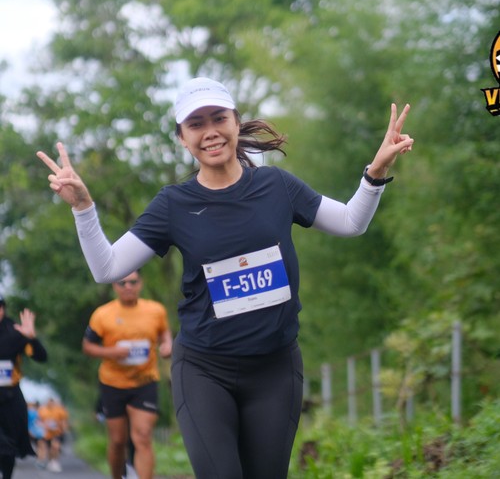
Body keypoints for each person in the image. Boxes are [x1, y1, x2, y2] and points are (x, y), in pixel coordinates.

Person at [37, 76, 414, 479]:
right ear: (182, 138)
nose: (210, 131)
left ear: (236, 122)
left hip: (275, 369)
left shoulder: (277, 185)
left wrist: (375, 172)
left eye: (219, 118)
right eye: (196, 124)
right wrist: (83, 208)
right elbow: (108, 268)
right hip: (204, 370)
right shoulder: (173, 204)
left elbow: (351, 222)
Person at [81, 270, 172, 479]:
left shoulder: (155, 310)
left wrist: (167, 345)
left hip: (145, 381)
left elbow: (164, 332)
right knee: (118, 441)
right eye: (122, 283)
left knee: (143, 436)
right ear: (115, 286)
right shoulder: (102, 314)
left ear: (141, 283)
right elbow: (87, 346)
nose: (128, 287)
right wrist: (110, 352)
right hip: (112, 383)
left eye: (133, 282)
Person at [0, 298, 48, 479]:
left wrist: (32, 338)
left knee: (9, 446)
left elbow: (41, 357)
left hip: (10, 395)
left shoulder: (15, 332)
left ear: (3, 309)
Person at [37, 397, 69, 473]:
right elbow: (38, 421)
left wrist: (64, 429)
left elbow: (64, 420)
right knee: (45, 448)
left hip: (56, 432)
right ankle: (45, 461)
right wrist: (43, 425)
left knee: (55, 446)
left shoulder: (59, 410)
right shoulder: (42, 410)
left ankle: (54, 461)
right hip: (45, 433)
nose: (50, 404)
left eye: (52, 403)